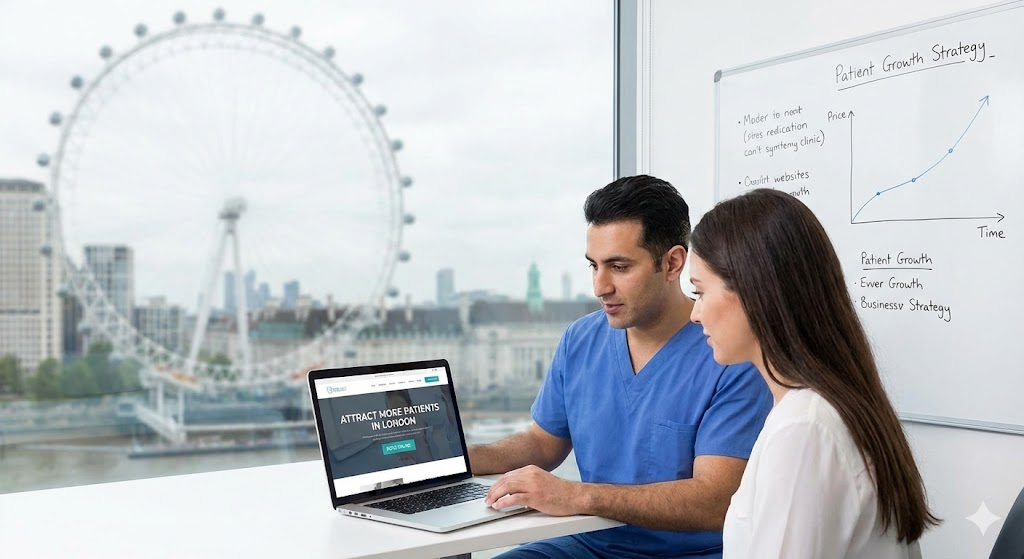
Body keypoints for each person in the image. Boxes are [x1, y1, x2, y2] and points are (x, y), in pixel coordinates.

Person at [469, 175, 773, 558]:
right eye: (593, 266)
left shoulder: (731, 356)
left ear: (673, 263)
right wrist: (458, 460)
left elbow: (714, 499)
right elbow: (543, 444)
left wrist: (575, 495)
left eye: (619, 266)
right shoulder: (580, 339)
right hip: (590, 544)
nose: (600, 286)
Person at [687, 188, 939, 558]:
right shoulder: (816, 409)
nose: (695, 315)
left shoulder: (804, 430)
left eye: (700, 293)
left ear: (754, 293)